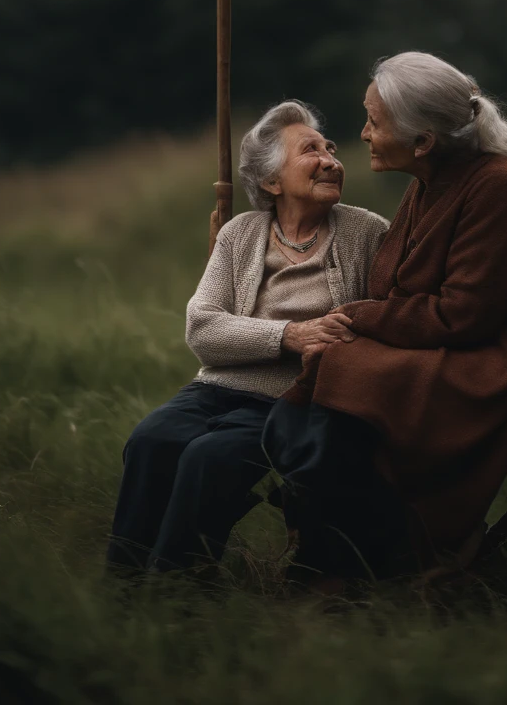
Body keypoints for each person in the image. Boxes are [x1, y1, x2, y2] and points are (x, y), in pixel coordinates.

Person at [263, 52, 507, 579]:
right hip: (459, 339)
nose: (362, 133)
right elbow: (398, 285)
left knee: (348, 370)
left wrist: (362, 317)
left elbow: (464, 316)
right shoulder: (432, 182)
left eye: (374, 121)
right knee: (337, 366)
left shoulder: (498, 186)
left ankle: (341, 553)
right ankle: (346, 538)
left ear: (423, 142)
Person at [105, 99, 388, 576]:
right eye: (310, 151)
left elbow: (388, 312)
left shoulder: (367, 231)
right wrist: (291, 334)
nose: (331, 160)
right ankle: (124, 582)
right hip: (214, 389)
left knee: (207, 456)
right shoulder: (241, 233)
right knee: (151, 440)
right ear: (270, 181)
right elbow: (202, 327)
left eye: (331, 148)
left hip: (294, 400)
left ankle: (177, 586)